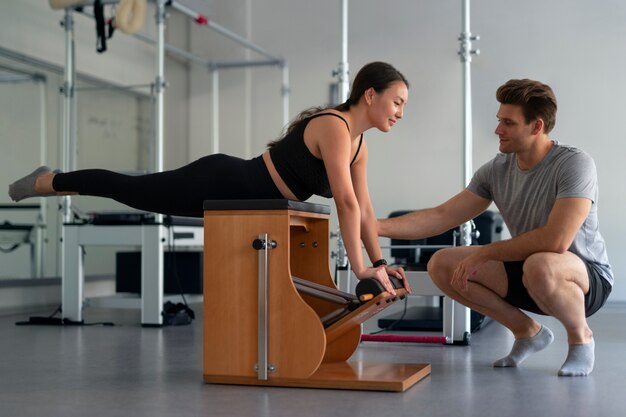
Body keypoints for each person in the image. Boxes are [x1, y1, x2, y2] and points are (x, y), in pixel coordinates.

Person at [8, 61, 411, 295]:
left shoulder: (360, 145)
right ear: (370, 94)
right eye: (397, 102)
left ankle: (56, 181)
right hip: (222, 180)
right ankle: (51, 181)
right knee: (131, 189)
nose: (399, 112)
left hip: (247, 200)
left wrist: (380, 262)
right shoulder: (334, 126)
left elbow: (366, 209)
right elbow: (345, 202)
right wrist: (360, 271)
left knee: (133, 191)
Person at [378, 78, 612, 376]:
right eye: (499, 120)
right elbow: (442, 215)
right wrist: (374, 227)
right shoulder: (497, 169)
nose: (497, 129)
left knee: (541, 263)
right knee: (443, 264)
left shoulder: (575, 164)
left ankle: (581, 340)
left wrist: (486, 253)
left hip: (585, 277)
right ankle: (527, 332)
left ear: (536, 127)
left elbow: (556, 241)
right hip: (530, 270)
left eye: (508, 123)